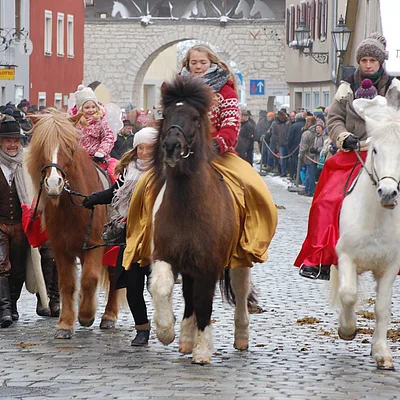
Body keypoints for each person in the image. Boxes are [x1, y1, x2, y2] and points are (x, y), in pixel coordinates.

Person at [122, 44, 277, 304]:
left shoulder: (224, 89)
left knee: (251, 185)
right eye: (193, 62)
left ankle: (249, 237)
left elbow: (231, 125)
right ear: (188, 64)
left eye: (202, 62)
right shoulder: (177, 90)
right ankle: (141, 235)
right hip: (183, 152)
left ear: (211, 62)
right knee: (144, 186)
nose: (197, 66)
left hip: (217, 152)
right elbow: (165, 122)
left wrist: (216, 145)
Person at [295, 32, 400, 280]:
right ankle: (320, 258)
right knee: (326, 201)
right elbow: (334, 119)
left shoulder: (395, 88)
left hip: (386, 151)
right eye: (363, 60)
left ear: (380, 62)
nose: (368, 64)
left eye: (372, 60)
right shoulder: (346, 87)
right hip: (353, 152)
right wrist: (343, 137)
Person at [83, 127, 157, 346]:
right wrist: (94, 198)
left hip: (156, 237)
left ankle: (165, 319)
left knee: (157, 287)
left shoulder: (163, 172)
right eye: (140, 148)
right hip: (131, 235)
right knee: (133, 287)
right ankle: (141, 328)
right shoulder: (129, 171)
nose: (144, 152)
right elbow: (115, 192)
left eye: (148, 148)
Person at [0, 119, 30, 327]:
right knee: (2, 264)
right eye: (8, 141)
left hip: (21, 225)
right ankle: (4, 309)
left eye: (15, 141)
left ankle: (13, 304)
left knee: (18, 268)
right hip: (0, 223)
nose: (12, 145)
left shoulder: (26, 164)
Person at [72, 85, 117, 176]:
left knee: (114, 174)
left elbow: (108, 137)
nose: (91, 110)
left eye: (93, 107)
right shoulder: (76, 124)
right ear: (81, 109)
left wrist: (101, 152)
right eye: (87, 108)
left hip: (97, 159)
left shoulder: (100, 122)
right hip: (79, 159)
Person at [269, 110, 289, 177]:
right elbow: (274, 134)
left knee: (284, 158)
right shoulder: (276, 123)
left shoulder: (287, 123)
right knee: (281, 158)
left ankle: (284, 171)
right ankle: (282, 171)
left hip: (285, 142)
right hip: (280, 143)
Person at [286, 112, 306, 180]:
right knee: (303, 164)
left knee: (295, 163)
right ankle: (300, 178)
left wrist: (289, 147)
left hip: (294, 147)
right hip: (303, 147)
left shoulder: (293, 126)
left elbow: (290, 138)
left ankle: (295, 176)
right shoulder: (305, 125)